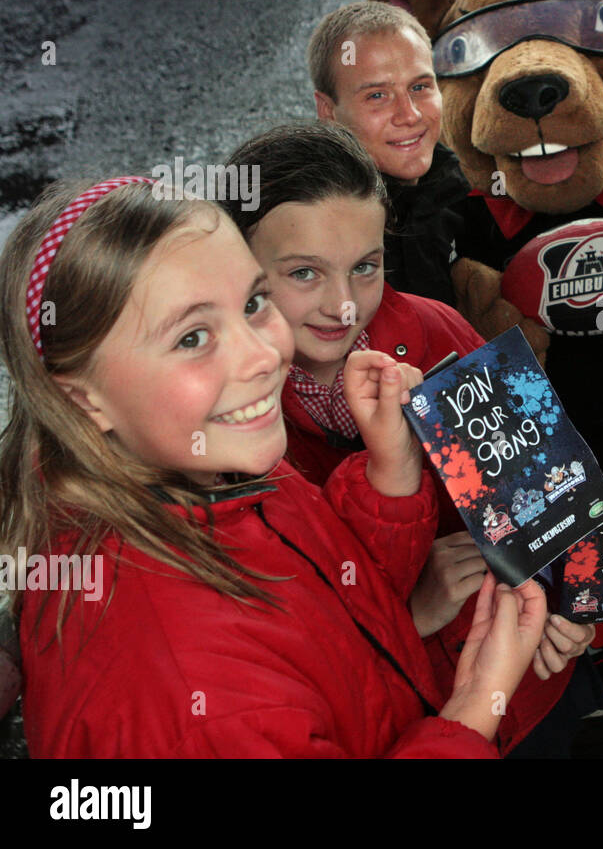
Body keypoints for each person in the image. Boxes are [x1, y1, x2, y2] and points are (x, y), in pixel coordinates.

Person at [0, 176, 547, 757]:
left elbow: (316, 589)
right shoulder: (187, 689)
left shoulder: (202, 466)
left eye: (254, 303)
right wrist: (476, 703)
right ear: (84, 399)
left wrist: (389, 472)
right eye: (193, 337)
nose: (265, 355)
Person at [224, 122, 603, 757]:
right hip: (399, 719)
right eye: (303, 273)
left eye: (365, 268)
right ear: (239, 269)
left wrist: (573, 605)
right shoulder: (229, 420)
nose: (343, 306)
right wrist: (408, 614)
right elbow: (278, 643)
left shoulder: (438, 329)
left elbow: (554, 490)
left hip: (529, 683)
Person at [308, 1, 467, 306]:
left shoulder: (466, 187)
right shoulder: (316, 232)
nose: (410, 115)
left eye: (420, 87)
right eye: (377, 96)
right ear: (328, 111)